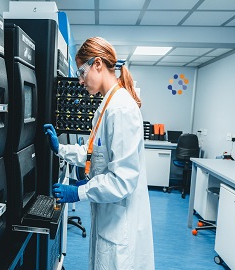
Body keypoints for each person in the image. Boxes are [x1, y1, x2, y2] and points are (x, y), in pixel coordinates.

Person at [43, 37, 154, 269]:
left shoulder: (121, 109)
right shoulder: (106, 105)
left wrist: (79, 191)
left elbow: (122, 180)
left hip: (119, 226)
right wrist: (60, 149)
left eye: (82, 72)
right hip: (107, 219)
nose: (80, 81)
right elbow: (94, 152)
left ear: (98, 64)